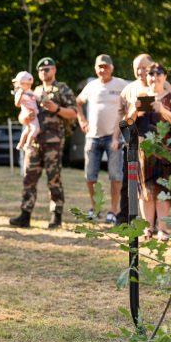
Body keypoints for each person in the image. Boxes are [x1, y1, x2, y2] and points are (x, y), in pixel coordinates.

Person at [8, 57, 78, 229]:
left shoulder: (62, 89)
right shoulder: (33, 90)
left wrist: (57, 109)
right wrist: (24, 117)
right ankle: (25, 215)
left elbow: (74, 113)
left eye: (47, 69)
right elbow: (22, 114)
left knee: (53, 178)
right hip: (35, 141)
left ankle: (56, 217)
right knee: (28, 177)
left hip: (53, 141)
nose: (44, 72)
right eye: (41, 70)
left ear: (54, 70)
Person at [135, 63, 171, 240]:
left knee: (164, 190)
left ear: (165, 77)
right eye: (150, 74)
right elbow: (126, 123)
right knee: (145, 191)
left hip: (166, 151)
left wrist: (162, 110)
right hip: (144, 152)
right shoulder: (142, 97)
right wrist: (136, 112)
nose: (154, 77)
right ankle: (147, 229)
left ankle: (162, 228)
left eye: (158, 74)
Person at [76, 54, 127, 224]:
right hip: (93, 137)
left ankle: (113, 210)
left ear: (112, 68)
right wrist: (82, 120)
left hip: (113, 137)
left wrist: (123, 128)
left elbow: (132, 102)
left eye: (105, 66)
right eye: (99, 67)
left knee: (115, 175)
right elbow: (77, 102)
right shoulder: (91, 86)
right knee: (90, 175)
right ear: (95, 69)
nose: (102, 70)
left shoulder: (121, 84)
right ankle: (95, 207)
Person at [12, 71, 40, 151]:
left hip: (33, 113)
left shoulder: (30, 91)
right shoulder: (20, 92)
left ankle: (21, 144)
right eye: (27, 84)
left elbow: (37, 98)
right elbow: (17, 104)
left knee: (28, 130)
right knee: (35, 129)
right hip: (28, 113)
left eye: (30, 84)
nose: (29, 86)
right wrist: (20, 94)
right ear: (21, 83)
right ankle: (28, 144)